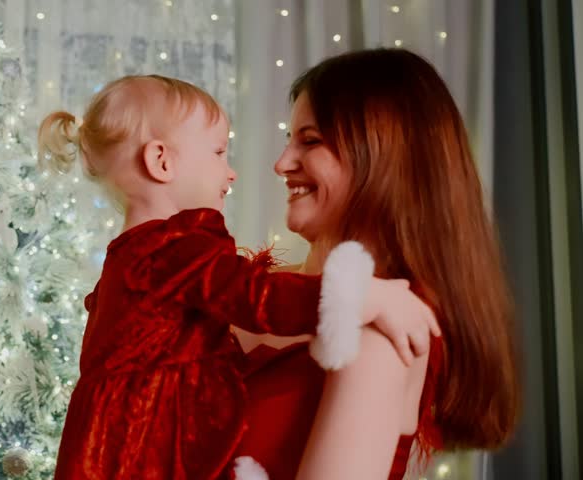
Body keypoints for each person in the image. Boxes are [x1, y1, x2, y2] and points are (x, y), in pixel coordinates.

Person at [37, 74, 439, 479]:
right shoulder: (177, 251)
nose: (238, 172)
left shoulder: (134, 258)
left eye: (310, 140)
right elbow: (261, 298)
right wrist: (363, 296)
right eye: (218, 153)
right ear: (162, 161)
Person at [234, 48, 521, 480]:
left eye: (310, 141)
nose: (282, 164)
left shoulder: (381, 334)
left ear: (384, 157)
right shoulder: (252, 289)